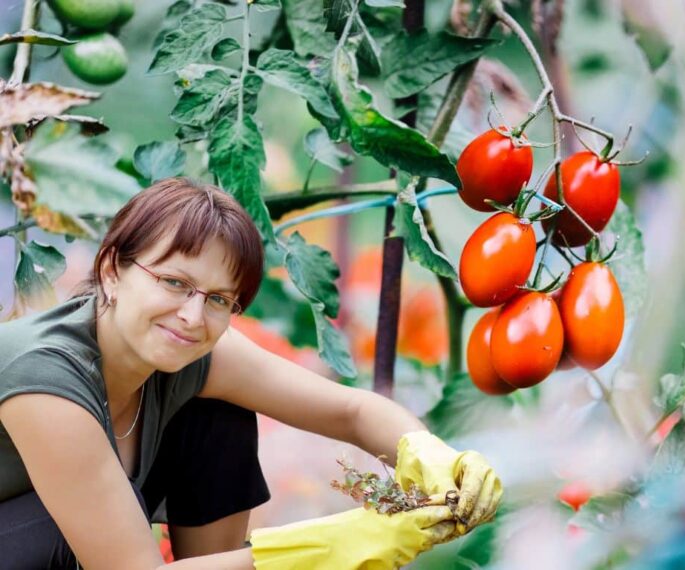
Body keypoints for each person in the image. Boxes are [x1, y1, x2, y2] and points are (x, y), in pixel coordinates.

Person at [0, 177, 502, 569]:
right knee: (64, 534)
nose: (193, 317)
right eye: (174, 282)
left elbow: (350, 410)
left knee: (220, 411)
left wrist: (431, 455)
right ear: (113, 269)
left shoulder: (187, 349)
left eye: (219, 299)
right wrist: (327, 548)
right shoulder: (46, 379)